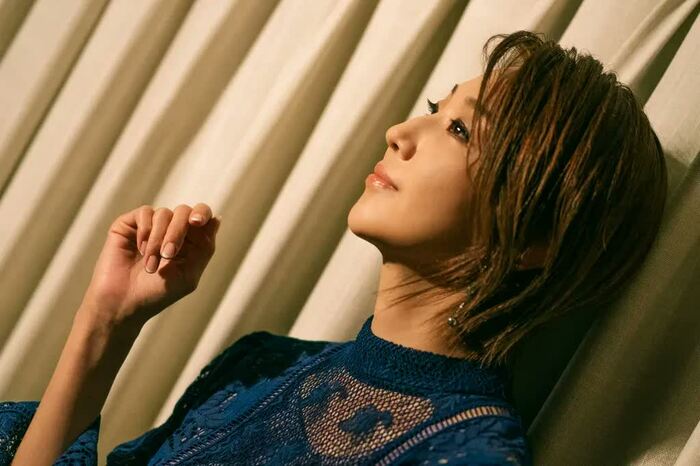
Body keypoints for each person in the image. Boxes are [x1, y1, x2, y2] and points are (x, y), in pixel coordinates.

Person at [1, 30, 667, 465]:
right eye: (434, 109)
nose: (400, 131)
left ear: (537, 238)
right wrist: (105, 324)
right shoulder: (260, 365)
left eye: (461, 130)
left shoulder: (467, 454)